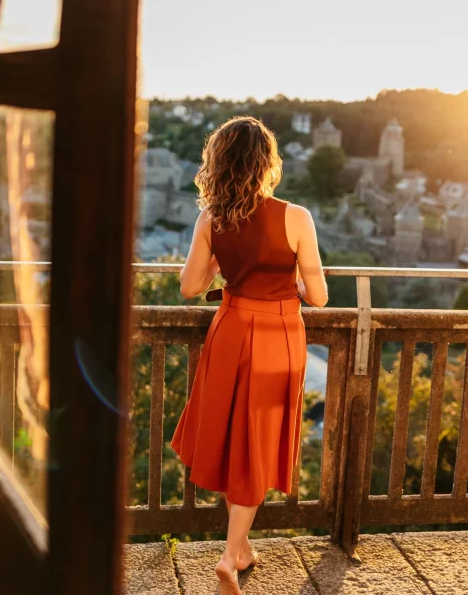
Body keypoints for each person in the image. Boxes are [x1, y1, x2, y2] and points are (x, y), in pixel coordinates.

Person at [170, 116, 328, 595]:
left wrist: (221, 257)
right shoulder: (295, 217)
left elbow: (190, 288)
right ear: (267, 164)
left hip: (231, 330)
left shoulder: (210, 219)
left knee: (234, 438)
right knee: (257, 442)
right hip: (279, 335)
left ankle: (239, 549)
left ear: (218, 164)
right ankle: (228, 555)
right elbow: (318, 296)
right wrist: (296, 283)